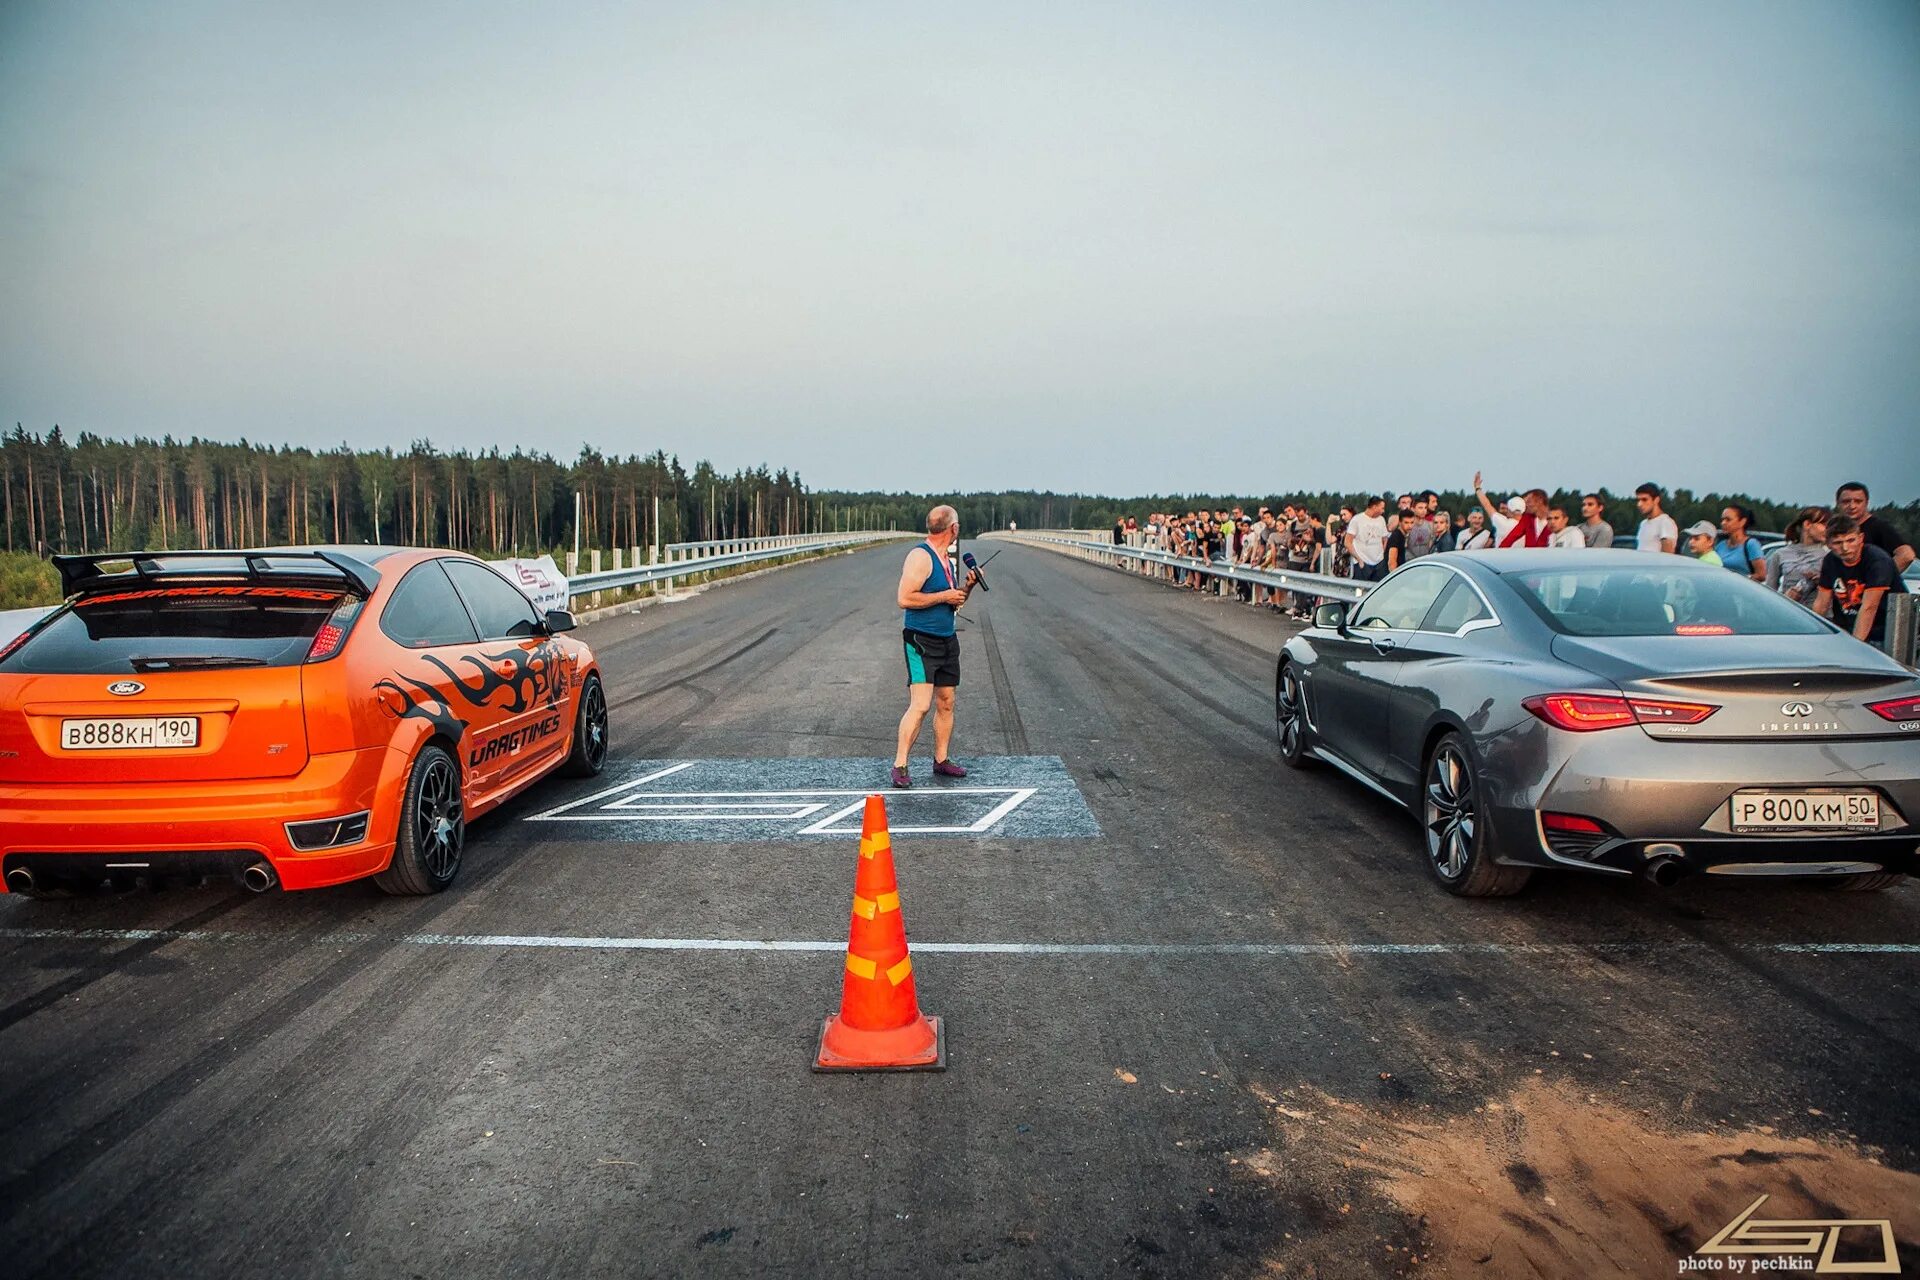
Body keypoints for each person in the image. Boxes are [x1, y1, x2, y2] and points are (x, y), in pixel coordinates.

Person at [892, 505, 977, 788]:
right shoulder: (920, 557)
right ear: (952, 528)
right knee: (920, 705)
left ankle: (941, 760)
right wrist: (944, 596)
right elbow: (905, 598)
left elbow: (954, 600)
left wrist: (968, 586)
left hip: (946, 639)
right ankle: (900, 764)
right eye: (958, 526)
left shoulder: (946, 559)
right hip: (920, 640)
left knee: (947, 701)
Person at [1814, 515, 1901, 644]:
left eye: (1851, 540)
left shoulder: (1877, 560)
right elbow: (1821, 603)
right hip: (1847, 628)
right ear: (1828, 544)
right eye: (1838, 543)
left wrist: (1856, 646)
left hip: (1885, 632)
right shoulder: (1830, 561)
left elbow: (1869, 607)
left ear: (1861, 538)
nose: (1845, 548)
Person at [1834, 482, 1916, 572]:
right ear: (1837, 503)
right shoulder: (1835, 530)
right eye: (1846, 502)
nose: (1852, 506)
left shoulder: (1879, 527)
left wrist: (1881, 576)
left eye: (1858, 501)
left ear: (1866, 503)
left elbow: (1906, 555)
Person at [1774, 506, 1829, 605]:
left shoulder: (1830, 555)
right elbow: (1769, 592)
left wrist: (1823, 582)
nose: (1827, 530)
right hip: (1790, 613)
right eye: (1824, 524)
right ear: (1807, 524)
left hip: (1822, 617)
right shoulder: (1780, 554)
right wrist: (1785, 597)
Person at [1712, 504, 1767, 582]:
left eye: (1728, 520)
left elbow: (1761, 575)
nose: (1723, 523)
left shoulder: (1751, 545)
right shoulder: (1720, 546)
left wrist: (1739, 579)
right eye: (1722, 520)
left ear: (1742, 522)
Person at [1346, 496, 1391, 582]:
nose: (1383, 511)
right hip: (1363, 562)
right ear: (1374, 507)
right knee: (1360, 590)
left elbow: (1385, 539)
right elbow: (1347, 542)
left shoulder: (1381, 520)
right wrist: (1359, 560)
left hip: (1378, 562)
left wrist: (1382, 555)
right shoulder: (1357, 520)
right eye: (1382, 508)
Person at [1634, 482, 1678, 553]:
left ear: (1656, 500)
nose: (1639, 504)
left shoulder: (1665, 522)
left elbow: (1667, 556)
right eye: (1638, 500)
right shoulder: (1643, 524)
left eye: (1644, 500)